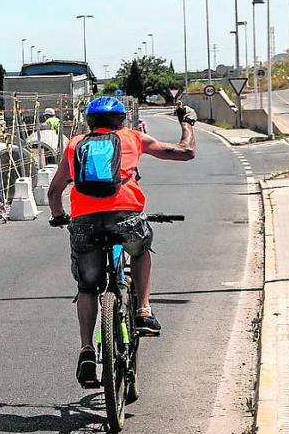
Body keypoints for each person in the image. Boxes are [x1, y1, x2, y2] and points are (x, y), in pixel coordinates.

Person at [47, 96, 196, 388]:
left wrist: (58, 216)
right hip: (126, 217)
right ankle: (142, 310)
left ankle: (87, 350)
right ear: (121, 121)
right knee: (140, 251)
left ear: (89, 122)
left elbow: (54, 192)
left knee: (88, 287)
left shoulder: (75, 144)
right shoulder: (133, 138)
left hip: (84, 222)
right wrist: (187, 123)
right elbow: (185, 152)